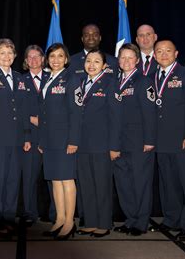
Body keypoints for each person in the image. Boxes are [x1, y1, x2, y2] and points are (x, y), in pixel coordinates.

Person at [152, 40, 185, 241]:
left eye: (168, 51)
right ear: (154, 55)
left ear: (176, 53)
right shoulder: (153, 77)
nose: (163, 54)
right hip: (161, 140)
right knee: (168, 183)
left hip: (183, 140)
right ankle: (171, 219)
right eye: (159, 51)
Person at [0, 38, 31, 236]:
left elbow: (24, 110)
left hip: (17, 139)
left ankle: (9, 218)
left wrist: (27, 137)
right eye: (2, 53)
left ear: (15, 56)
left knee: (12, 180)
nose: (6, 56)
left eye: (10, 53)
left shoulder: (20, 78)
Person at [75, 49, 121, 238]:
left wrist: (114, 146)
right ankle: (91, 221)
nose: (91, 65)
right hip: (82, 144)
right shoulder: (80, 83)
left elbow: (116, 118)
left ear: (104, 66)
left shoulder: (110, 84)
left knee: (102, 185)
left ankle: (104, 222)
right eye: (88, 61)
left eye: (96, 62)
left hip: (102, 145)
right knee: (86, 185)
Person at [39, 43, 82, 240]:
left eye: (60, 56)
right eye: (52, 56)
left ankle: (69, 222)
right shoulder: (47, 79)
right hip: (49, 140)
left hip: (65, 140)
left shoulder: (71, 79)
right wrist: (41, 140)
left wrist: (73, 140)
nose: (56, 60)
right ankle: (59, 218)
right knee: (55, 180)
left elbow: (76, 112)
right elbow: (44, 113)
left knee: (66, 180)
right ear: (47, 60)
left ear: (66, 59)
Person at [113, 43, 156, 236]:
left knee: (141, 183)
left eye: (130, 58)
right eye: (123, 57)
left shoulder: (144, 81)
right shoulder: (115, 81)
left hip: (139, 142)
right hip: (119, 142)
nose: (126, 61)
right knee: (124, 183)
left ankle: (141, 222)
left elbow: (150, 113)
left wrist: (149, 139)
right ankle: (130, 219)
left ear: (137, 61)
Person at [21, 45, 50, 226]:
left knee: (55, 178)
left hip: (52, 136)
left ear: (43, 59)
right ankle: (30, 212)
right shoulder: (19, 81)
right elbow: (14, 108)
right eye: (29, 57)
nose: (33, 60)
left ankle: (55, 213)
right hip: (29, 137)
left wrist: (46, 122)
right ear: (25, 61)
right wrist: (30, 119)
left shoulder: (53, 78)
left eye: (37, 56)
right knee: (29, 178)